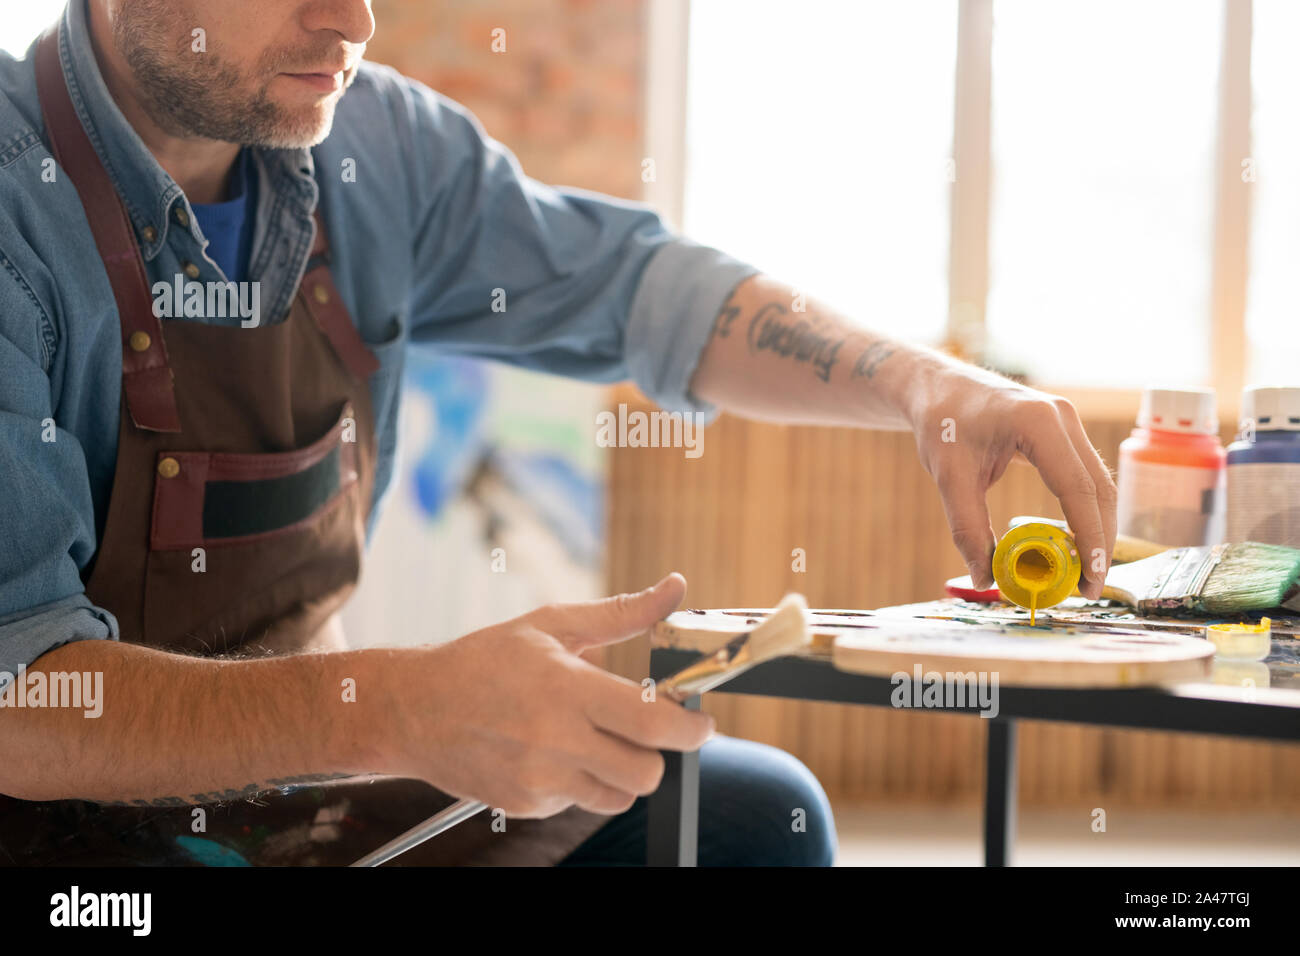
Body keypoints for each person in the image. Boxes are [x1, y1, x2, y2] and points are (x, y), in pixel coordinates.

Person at [0, 0, 1116, 866]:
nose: (353, 20)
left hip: (299, 794)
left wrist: (920, 382)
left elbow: (637, 289)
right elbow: (21, 701)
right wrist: (400, 707)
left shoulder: (375, 145)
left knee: (747, 820)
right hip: (61, 841)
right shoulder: (16, 206)